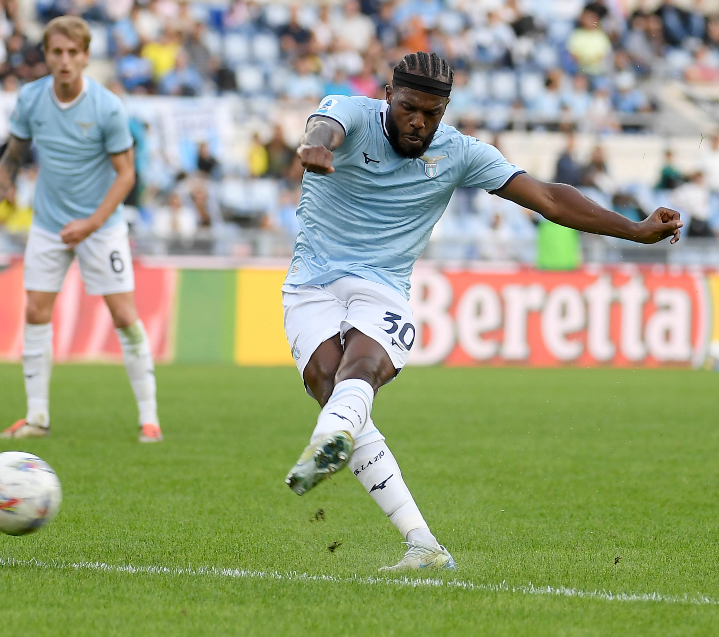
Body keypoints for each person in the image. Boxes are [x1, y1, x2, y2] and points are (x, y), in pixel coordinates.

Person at [281, 51, 682, 571]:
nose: (418, 122)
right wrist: (315, 147)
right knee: (325, 385)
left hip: (381, 288)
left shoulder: (460, 152)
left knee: (358, 375)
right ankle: (422, 545)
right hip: (311, 283)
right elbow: (324, 125)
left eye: (431, 112)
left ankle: (326, 441)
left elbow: (549, 199)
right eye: (408, 109)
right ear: (387, 97)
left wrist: (632, 228)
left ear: (445, 110)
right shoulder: (350, 114)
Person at [0, 15, 162, 444]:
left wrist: (92, 223)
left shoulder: (107, 107)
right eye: (57, 52)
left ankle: (149, 418)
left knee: (124, 316)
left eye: (73, 52)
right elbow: (12, 158)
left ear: (86, 57)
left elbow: (126, 175)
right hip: (50, 224)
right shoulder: (31, 99)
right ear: (47, 56)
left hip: (101, 226)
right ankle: (37, 416)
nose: (65, 60)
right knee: (36, 311)